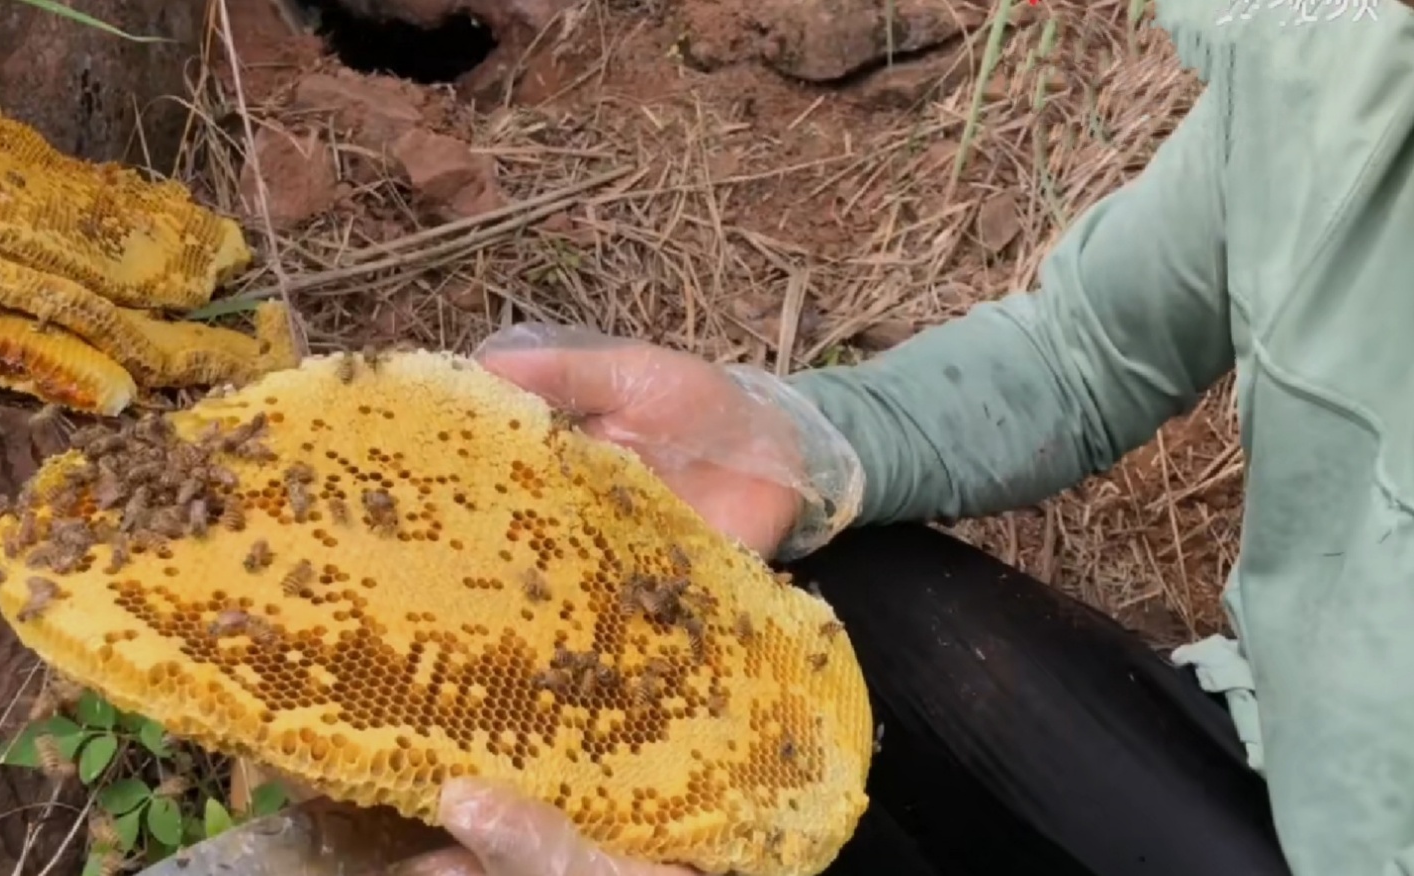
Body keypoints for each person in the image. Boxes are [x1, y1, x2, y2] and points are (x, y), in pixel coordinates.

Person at [392, 0, 1414, 874]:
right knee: (783, 592)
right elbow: (1080, 353)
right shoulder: (1341, 56)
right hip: (1283, 763)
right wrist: (791, 441)